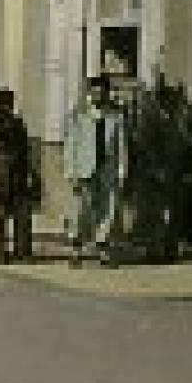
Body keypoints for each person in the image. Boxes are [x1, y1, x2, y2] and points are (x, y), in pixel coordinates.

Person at [63, 74, 129, 267]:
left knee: (107, 208)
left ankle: (103, 247)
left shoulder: (115, 117)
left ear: (107, 93)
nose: (99, 95)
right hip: (84, 168)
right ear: (90, 93)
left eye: (102, 91)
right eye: (95, 91)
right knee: (82, 210)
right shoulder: (79, 115)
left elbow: (121, 146)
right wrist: (70, 171)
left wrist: (122, 170)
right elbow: (71, 145)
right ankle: (76, 248)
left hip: (106, 168)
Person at [0, 87, 36, 263]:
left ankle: (22, 250)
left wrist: (29, 172)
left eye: (8, 104)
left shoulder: (18, 124)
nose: (6, 107)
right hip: (0, 172)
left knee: (22, 213)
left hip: (18, 172)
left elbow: (26, 150)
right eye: (3, 104)